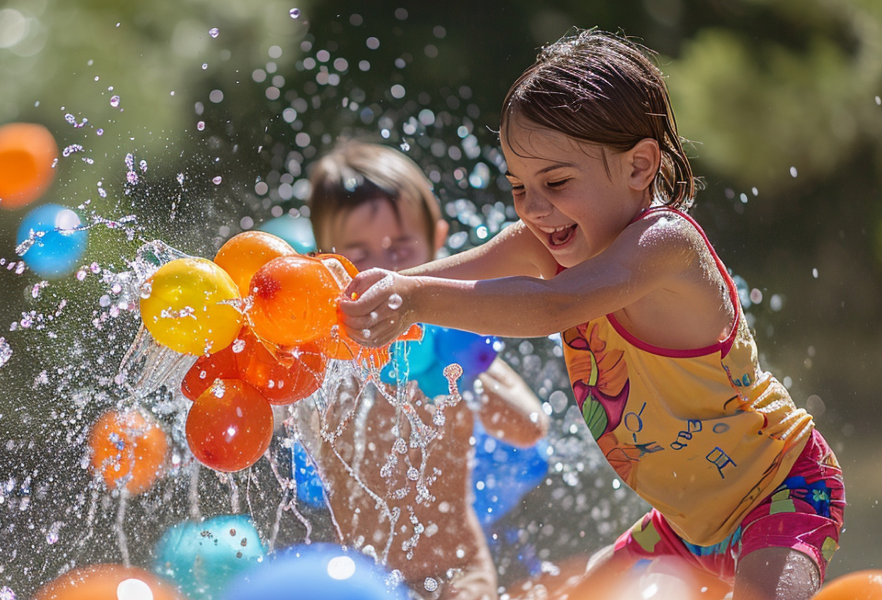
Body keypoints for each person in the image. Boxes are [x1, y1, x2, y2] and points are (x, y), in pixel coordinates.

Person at [338, 30, 845, 600]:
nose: (533, 207)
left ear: (638, 167)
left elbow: (558, 305)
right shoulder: (550, 239)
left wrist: (417, 298)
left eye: (555, 182)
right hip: (683, 526)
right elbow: (458, 270)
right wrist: (396, 288)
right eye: (518, 187)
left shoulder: (666, 246)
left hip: (781, 491)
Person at [299, 139, 550, 600]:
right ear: (325, 260)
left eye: (401, 250)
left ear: (439, 243)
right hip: (359, 580)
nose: (382, 272)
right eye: (359, 253)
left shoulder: (453, 336)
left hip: (458, 570)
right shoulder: (324, 356)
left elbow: (530, 425)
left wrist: (456, 370)